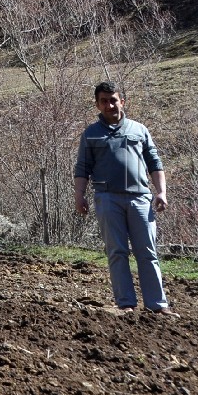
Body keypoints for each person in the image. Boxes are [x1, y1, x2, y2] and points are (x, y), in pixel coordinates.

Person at [73, 81, 177, 315]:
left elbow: (155, 163)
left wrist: (161, 192)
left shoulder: (139, 130)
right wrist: (79, 195)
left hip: (140, 199)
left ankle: (157, 305)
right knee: (117, 252)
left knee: (147, 252)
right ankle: (126, 304)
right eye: (104, 101)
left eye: (113, 100)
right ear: (97, 105)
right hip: (107, 199)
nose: (109, 105)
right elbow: (82, 168)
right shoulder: (90, 134)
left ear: (122, 101)